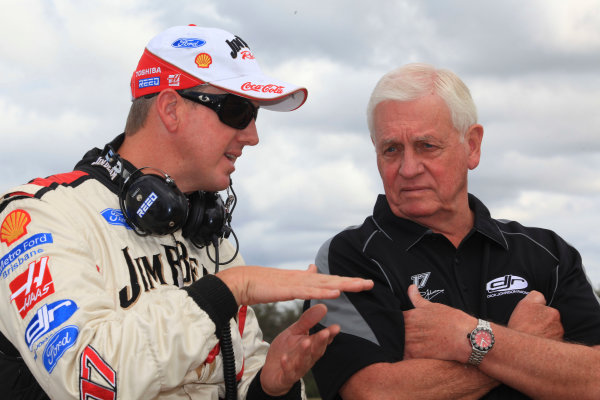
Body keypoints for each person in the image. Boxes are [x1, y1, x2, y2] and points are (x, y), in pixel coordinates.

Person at [0, 25, 373, 399]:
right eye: (237, 110)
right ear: (171, 109)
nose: (252, 135)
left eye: (255, 115)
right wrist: (225, 291)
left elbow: (239, 374)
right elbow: (88, 380)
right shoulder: (35, 217)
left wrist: (269, 387)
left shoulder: (208, 234)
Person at [306, 63, 600, 399]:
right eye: (392, 149)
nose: (408, 168)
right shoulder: (349, 260)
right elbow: (375, 393)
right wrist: (525, 349)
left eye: (426, 146)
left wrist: (467, 335)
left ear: (472, 146)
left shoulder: (547, 253)